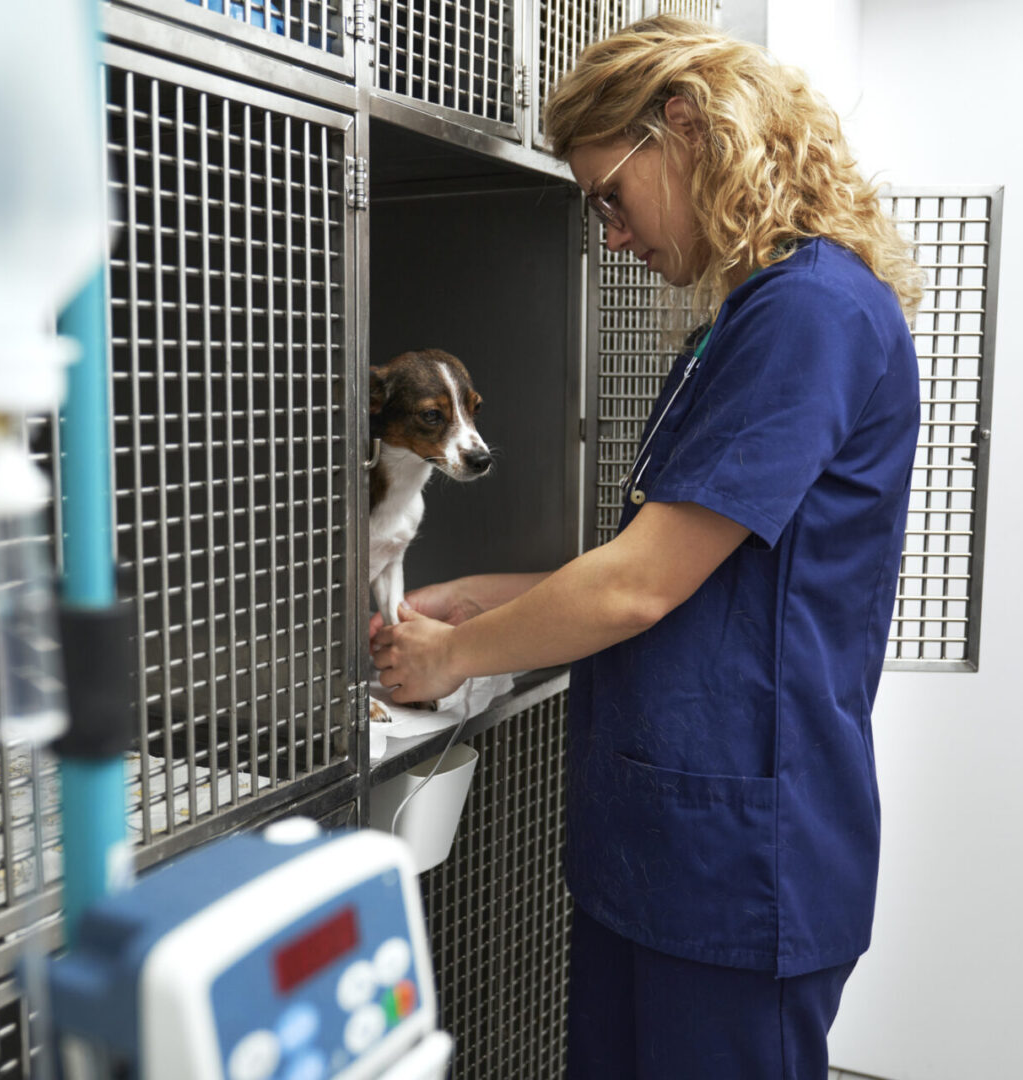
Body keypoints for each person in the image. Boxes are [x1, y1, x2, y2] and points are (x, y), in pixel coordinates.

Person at [368, 15, 924, 1079]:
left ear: (684, 127)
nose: (610, 237)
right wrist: (487, 597)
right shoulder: (745, 320)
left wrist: (448, 658)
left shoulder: (810, 311)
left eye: (608, 198)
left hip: (738, 857)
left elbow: (638, 590)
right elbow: (693, 575)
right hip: (663, 845)